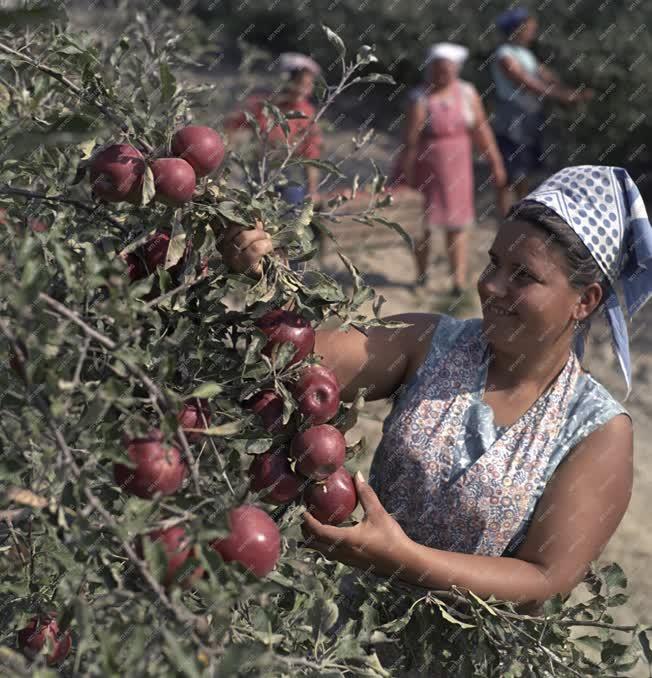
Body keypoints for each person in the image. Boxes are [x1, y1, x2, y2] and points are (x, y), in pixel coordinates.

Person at [218, 165, 650, 671]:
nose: (490, 286)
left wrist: (404, 559)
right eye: (493, 263)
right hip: (344, 645)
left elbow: (544, 579)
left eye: (523, 276)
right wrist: (266, 275)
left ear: (585, 300)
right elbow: (304, 363)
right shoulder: (431, 343)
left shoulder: (597, 430)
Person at [392, 43, 507, 295]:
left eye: (448, 69)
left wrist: (495, 163)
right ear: (430, 68)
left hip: (457, 170)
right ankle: (421, 275)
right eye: (438, 69)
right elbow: (410, 141)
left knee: (457, 224)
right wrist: (407, 176)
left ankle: (458, 281)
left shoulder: (467, 93)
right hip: (426, 170)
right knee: (420, 224)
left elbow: (482, 130)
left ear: (456, 69)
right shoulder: (419, 98)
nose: (443, 74)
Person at [491, 7, 594, 205]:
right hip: (512, 119)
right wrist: (566, 96)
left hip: (529, 118)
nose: (532, 31)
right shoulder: (505, 54)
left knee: (525, 171)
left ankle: (520, 215)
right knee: (509, 172)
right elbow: (528, 83)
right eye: (528, 27)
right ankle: (504, 220)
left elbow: (547, 77)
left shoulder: (525, 53)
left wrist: (574, 90)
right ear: (516, 29)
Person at [225, 52, 323, 204]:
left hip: (289, 174)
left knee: (291, 212)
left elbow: (311, 154)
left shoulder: (306, 113)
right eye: (299, 83)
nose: (303, 90)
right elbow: (232, 127)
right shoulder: (262, 105)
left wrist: (312, 190)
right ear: (285, 81)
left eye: (307, 85)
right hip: (258, 171)